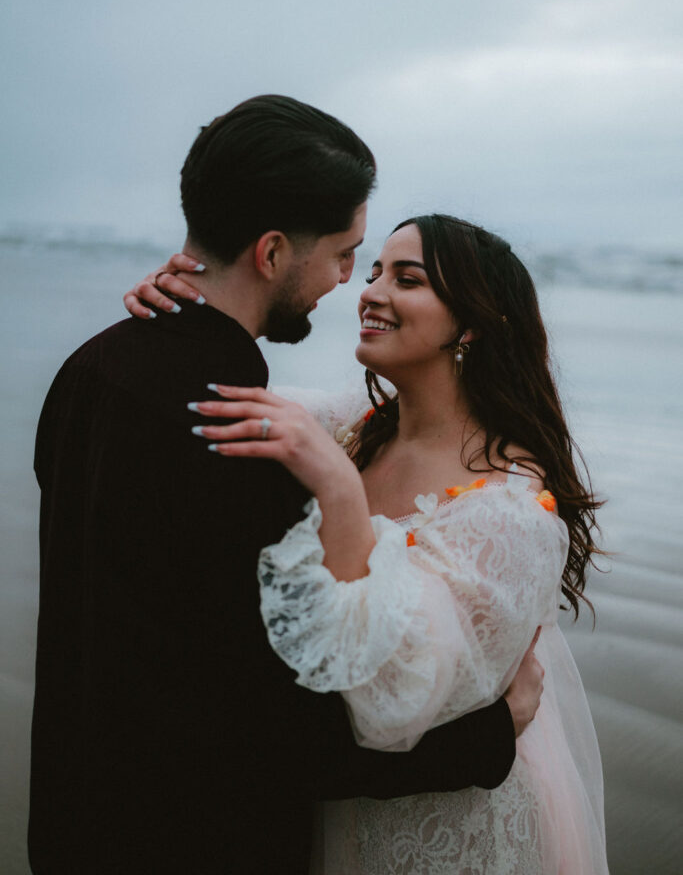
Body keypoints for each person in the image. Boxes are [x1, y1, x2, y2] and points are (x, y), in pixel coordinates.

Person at [30, 96, 541, 875]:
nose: (350, 284)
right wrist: (487, 736)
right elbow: (277, 734)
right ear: (270, 251)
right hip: (196, 846)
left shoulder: (91, 370)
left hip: (72, 823)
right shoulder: (246, 441)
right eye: (347, 256)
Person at [129, 213, 609, 873]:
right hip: (343, 811)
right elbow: (221, 401)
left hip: (443, 825)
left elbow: (388, 698)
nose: (371, 290)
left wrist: (337, 490)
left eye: (406, 278)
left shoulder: (513, 511)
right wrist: (183, 305)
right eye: (375, 269)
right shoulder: (357, 427)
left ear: (470, 324)